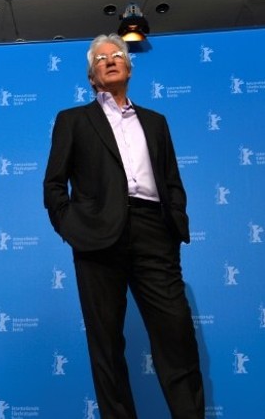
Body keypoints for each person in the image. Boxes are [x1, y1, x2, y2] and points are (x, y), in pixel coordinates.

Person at [43, 34, 205, 419]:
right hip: (97, 238)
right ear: (92, 76)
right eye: (101, 58)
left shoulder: (156, 122)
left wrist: (172, 225)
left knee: (176, 337)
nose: (111, 60)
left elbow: (171, 181)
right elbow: (53, 184)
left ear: (129, 68)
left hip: (153, 231)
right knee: (106, 346)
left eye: (118, 55)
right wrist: (72, 227)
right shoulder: (73, 120)